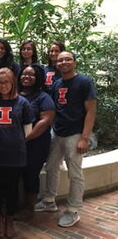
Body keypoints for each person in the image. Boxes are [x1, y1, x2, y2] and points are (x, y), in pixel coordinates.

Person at [34, 51, 97, 228]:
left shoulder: (85, 82)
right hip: (57, 132)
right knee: (52, 166)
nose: (63, 62)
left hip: (75, 134)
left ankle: (73, 210)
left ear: (75, 62)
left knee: (75, 173)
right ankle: (49, 200)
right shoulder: (57, 83)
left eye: (68, 59)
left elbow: (91, 111)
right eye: (60, 60)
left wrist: (85, 137)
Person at [0, 68, 34, 238]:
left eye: (6, 82)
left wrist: (16, 141)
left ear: (13, 83)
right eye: (0, 82)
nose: (3, 85)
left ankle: (10, 220)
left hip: (16, 154)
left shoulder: (23, 103)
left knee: (13, 189)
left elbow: (28, 130)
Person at [15, 64, 55, 221]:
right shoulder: (15, 94)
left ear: (38, 78)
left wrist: (27, 137)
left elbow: (46, 120)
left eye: (31, 75)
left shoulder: (43, 97)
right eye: (24, 74)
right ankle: (11, 206)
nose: (26, 77)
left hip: (36, 143)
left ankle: (28, 208)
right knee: (15, 173)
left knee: (30, 174)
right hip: (15, 143)